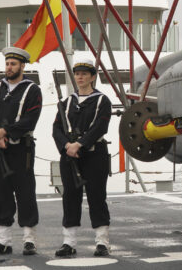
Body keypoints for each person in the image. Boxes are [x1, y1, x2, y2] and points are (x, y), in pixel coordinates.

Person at [0, 47, 43, 256]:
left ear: (22, 66)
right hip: (0, 149)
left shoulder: (32, 90)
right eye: (7, 64)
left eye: (13, 64)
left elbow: (30, 119)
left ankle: (29, 240)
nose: (9, 67)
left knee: (25, 193)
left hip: (21, 149)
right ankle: (3, 241)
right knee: (2, 193)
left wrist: (5, 131)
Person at [53, 58, 112, 257]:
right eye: (77, 74)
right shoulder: (67, 102)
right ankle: (68, 242)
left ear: (92, 77)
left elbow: (100, 127)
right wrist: (66, 146)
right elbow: (57, 128)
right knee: (70, 197)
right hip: (70, 156)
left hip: (94, 155)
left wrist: (80, 144)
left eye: (85, 74)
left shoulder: (102, 100)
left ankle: (102, 242)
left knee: (97, 197)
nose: (80, 77)